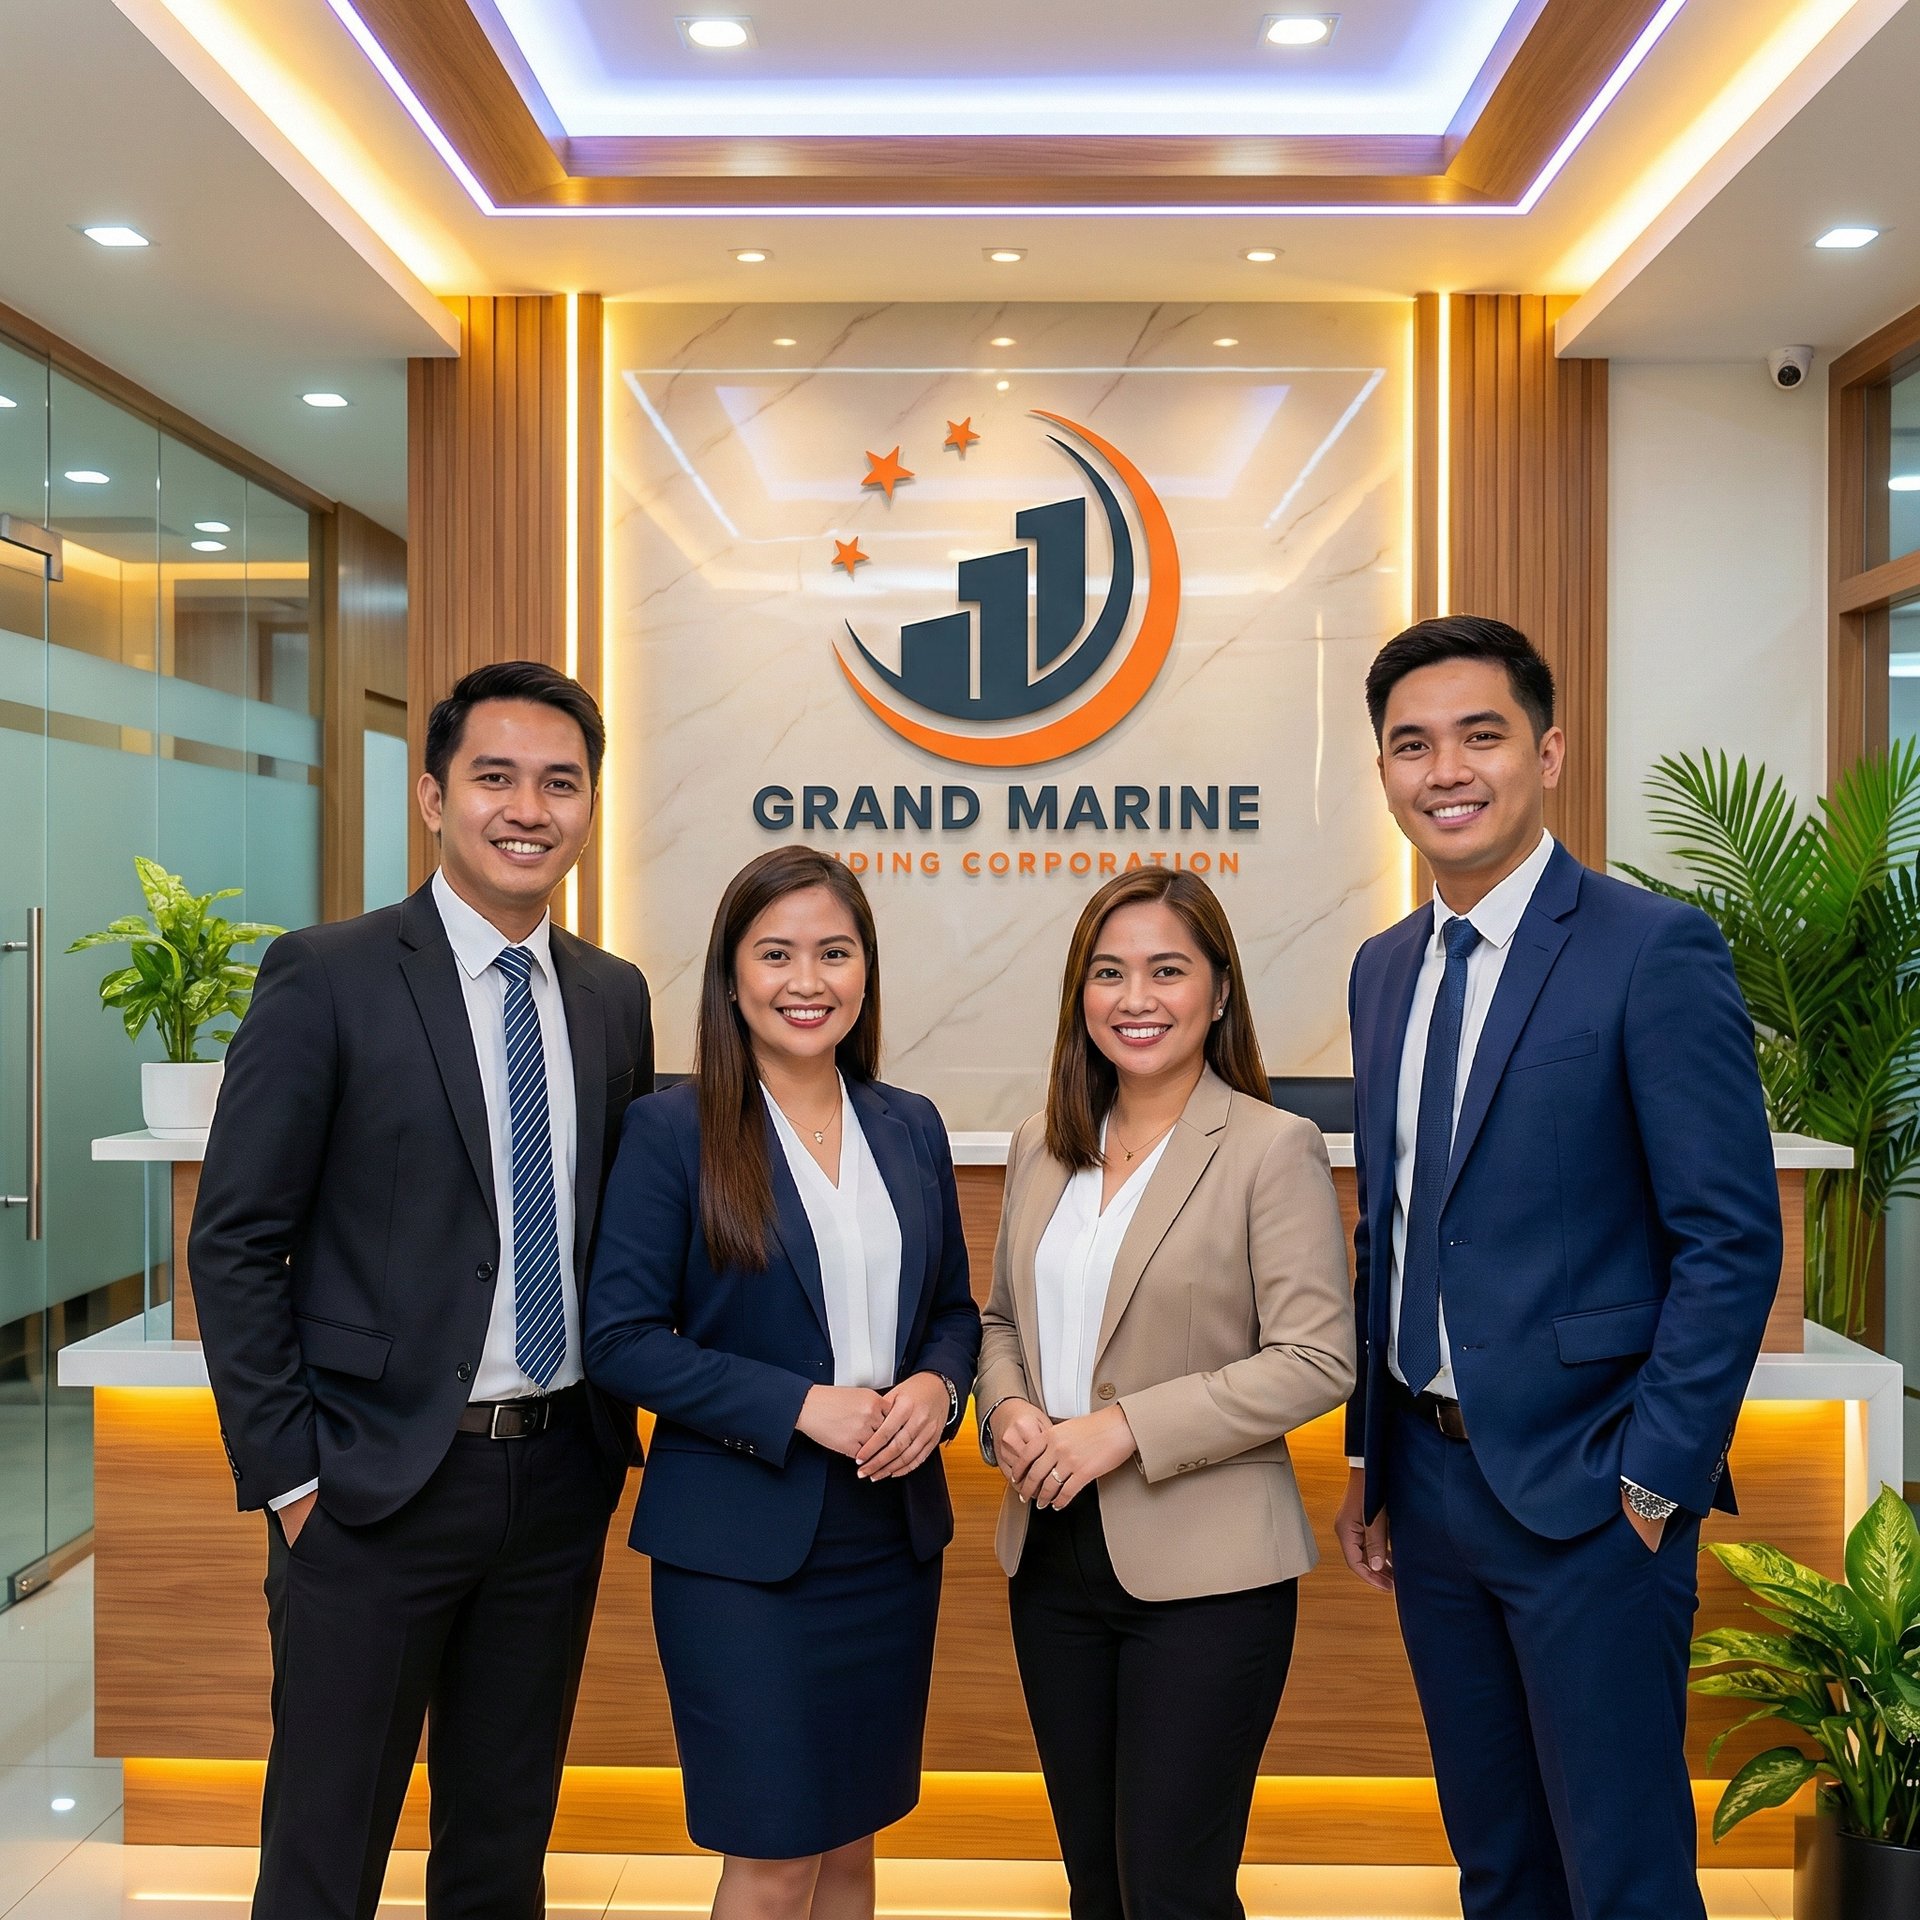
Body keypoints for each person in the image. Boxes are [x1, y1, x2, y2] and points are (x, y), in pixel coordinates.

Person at [1333, 615, 1782, 1920]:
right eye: (1411, 745)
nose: (1445, 770)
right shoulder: (1383, 971)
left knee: (1624, 1876)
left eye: (1480, 735)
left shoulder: (1654, 950)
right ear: (1385, 773)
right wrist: (1372, 1455)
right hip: (1428, 1486)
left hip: (1594, 1494)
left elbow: (1729, 1236)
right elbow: (1399, 1227)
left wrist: (1658, 1471)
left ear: (1549, 752)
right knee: (1499, 1865)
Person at [190, 661, 654, 1920]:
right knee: (324, 1858)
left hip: (556, 1478)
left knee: (500, 1853)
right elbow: (235, 1241)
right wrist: (291, 1480)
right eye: (495, 776)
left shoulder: (612, 997)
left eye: (561, 783)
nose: (528, 807)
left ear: (589, 807)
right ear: (432, 796)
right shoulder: (326, 973)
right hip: (370, 1488)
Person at [583, 845, 980, 1920]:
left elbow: (952, 1312)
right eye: (777, 954)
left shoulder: (909, 1124)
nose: (808, 981)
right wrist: (800, 1405)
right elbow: (617, 1338)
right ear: (730, 977)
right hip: (739, 1553)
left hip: (887, 1540)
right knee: (773, 1857)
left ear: (866, 972)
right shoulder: (672, 1132)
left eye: (834, 953)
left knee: (850, 1844)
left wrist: (940, 1392)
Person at [976, 867, 1355, 1920]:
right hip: (1049, 1558)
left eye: (1166, 971)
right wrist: (1007, 1413)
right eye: (1109, 973)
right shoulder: (1042, 1148)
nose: (1134, 998)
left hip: (1208, 1576)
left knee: (1173, 1890)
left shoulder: (1272, 1148)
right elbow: (1001, 1321)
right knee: (1096, 1885)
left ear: (1220, 992)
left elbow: (1318, 1356)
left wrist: (1121, 1431)